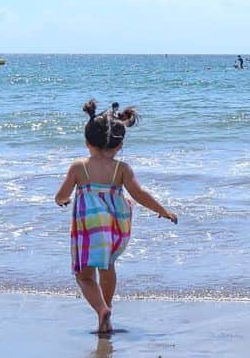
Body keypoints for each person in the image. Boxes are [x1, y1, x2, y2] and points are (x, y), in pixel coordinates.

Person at [55, 100, 177, 334]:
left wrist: (61, 201)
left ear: (87, 142)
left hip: (89, 228)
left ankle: (101, 309)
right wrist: (163, 211)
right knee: (107, 266)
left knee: (84, 276)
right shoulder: (122, 169)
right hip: (114, 225)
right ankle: (108, 307)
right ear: (120, 145)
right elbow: (139, 194)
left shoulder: (79, 166)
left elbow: (61, 195)